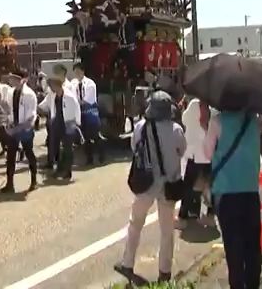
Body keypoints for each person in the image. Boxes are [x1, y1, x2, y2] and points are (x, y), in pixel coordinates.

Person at [114, 91, 186, 283]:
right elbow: (182, 150)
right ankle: (164, 272)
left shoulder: (140, 127)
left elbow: (134, 148)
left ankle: (127, 263)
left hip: (146, 183)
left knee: (135, 224)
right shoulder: (177, 129)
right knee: (167, 230)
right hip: (169, 185)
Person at [212, 107, 262, 289]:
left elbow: (206, 153)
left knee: (233, 248)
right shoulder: (255, 120)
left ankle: (237, 285)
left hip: (226, 193)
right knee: (252, 246)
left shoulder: (217, 122)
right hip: (250, 191)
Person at [179, 96, 218, 227]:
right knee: (210, 186)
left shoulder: (194, 104)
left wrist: (185, 105)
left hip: (195, 154)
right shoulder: (214, 109)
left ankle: (183, 216)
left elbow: (184, 119)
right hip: (208, 154)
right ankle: (210, 216)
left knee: (188, 186)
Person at [0, 70, 39, 193]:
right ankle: (9, 183)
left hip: (25, 128)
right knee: (10, 156)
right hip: (13, 127)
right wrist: (5, 112)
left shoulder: (29, 95)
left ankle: (34, 180)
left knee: (29, 153)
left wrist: (17, 128)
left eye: (15, 79)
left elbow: (30, 118)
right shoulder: (11, 92)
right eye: (11, 79)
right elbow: (9, 111)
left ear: (23, 80)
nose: (12, 81)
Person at [42, 75, 80, 180]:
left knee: (67, 149)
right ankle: (59, 170)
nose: (50, 87)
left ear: (57, 85)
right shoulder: (52, 95)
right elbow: (45, 105)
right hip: (56, 123)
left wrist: (74, 125)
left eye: (52, 85)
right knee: (54, 146)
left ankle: (68, 171)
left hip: (68, 124)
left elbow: (75, 111)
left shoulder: (69, 96)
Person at [72, 62, 104, 165]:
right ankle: (89, 158)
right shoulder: (74, 83)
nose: (76, 74)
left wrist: (76, 102)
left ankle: (101, 155)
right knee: (85, 138)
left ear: (82, 71)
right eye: (75, 72)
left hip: (90, 113)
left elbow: (86, 100)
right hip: (81, 114)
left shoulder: (90, 84)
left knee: (94, 135)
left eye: (78, 71)